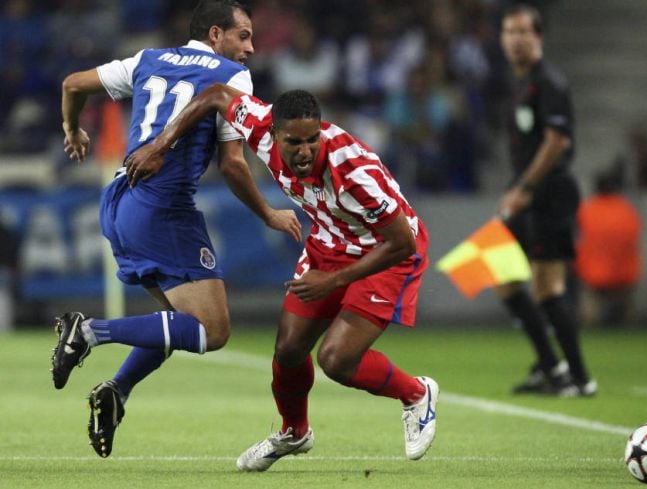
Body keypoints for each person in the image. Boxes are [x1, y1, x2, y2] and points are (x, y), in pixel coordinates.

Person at [125, 85, 439, 470]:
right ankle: (295, 433)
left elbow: (402, 243)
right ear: (273, 135)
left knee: (336, 360)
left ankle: (416, 393)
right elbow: (217, 95)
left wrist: (334, 282)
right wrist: (161, 145)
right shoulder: (257, 126)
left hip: (385, 252)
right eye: (294, 142)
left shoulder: (352, 173)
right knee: (289, 350)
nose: (304, 151)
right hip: (330, 242)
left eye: (312, 140)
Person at [51, 0, 301, 459]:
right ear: (214, 35)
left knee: (174, 324)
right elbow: (231, 165)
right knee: (213, 330)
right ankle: (87, 332)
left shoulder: (148, 59)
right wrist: (268, 213)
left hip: (121, 202)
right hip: (165, 207)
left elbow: (72, 84)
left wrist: (73, 129)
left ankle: (117, 390)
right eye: (242, 35)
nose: (250, 47)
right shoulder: (232, 76)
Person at [494, 4, 595, 397]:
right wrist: (515, 188)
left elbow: (557, 142)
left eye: (523, 32)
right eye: (509, 32)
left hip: (548, 192)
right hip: (527, 191)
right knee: (499, 273)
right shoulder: (520, 81)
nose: (516, 39)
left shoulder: (548, 81)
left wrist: (524, 189)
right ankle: (551, 366)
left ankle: (579, 378)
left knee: (547, 286)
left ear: (539, 37)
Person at [574, 165, 643, 327]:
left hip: (595, 273)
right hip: (624, 272)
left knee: (589, 298)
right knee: (625, 299)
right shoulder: (626, 209)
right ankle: (630, 327)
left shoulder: (587, 210)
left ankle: (590, 327)